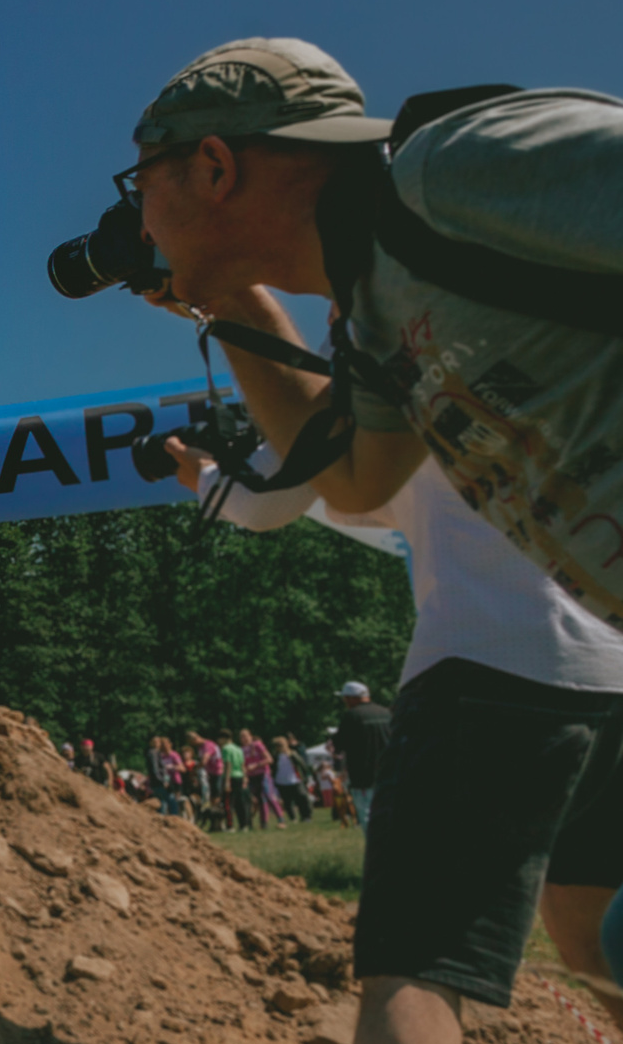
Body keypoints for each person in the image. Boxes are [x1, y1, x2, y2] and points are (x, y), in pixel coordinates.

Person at [180, 392, 623, 1044]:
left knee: (416, 961)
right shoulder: (570, 353)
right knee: (592, 936)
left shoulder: (407, 360)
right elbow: (356, 501)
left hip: (494, 664)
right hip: (611, 661)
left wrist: (203, 472)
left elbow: (282, 494)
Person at [118, 38, 623, 623]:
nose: (143, 229)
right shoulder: (373, 310)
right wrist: (231, 303)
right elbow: (352, 479)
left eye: (141, 187)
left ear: (215, 166)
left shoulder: (448, 170)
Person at [336, 683, 392, 829]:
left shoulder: (352, 716)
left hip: (363, 777)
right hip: (390, 775)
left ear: (351, 698)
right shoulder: (386, 712)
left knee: (368, 818)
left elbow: (339, 745)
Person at [218, 731, 252, 831]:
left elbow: (228, 764)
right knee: (240, 802)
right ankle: (243, 825)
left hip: (230, 777)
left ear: (224, 738)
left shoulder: (226, 748)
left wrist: (227, 781)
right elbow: (242, 764)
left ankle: (230, 825)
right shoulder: (238, 748)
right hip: (240, 776)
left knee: (228, 803)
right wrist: (245, 777)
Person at [272, 736, 307, 824]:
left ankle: (305, 816)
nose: (280, 747)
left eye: (281, 745)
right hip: (281, 781)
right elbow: (273, 768)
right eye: (278, 745)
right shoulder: (275, 756)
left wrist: (305, 776)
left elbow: (302, 764)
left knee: (301, 797)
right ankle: (293, 818)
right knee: (287, 801)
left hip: (295, 780)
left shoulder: (292, 754)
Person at [147, 736, 183, 820]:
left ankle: (162, 819)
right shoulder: (154, 753)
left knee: (162, 802)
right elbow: (155, 769)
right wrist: (163, 781)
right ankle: (174, 819)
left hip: (160, 782)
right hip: (160, 783)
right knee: (171, 801)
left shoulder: (155, 753)